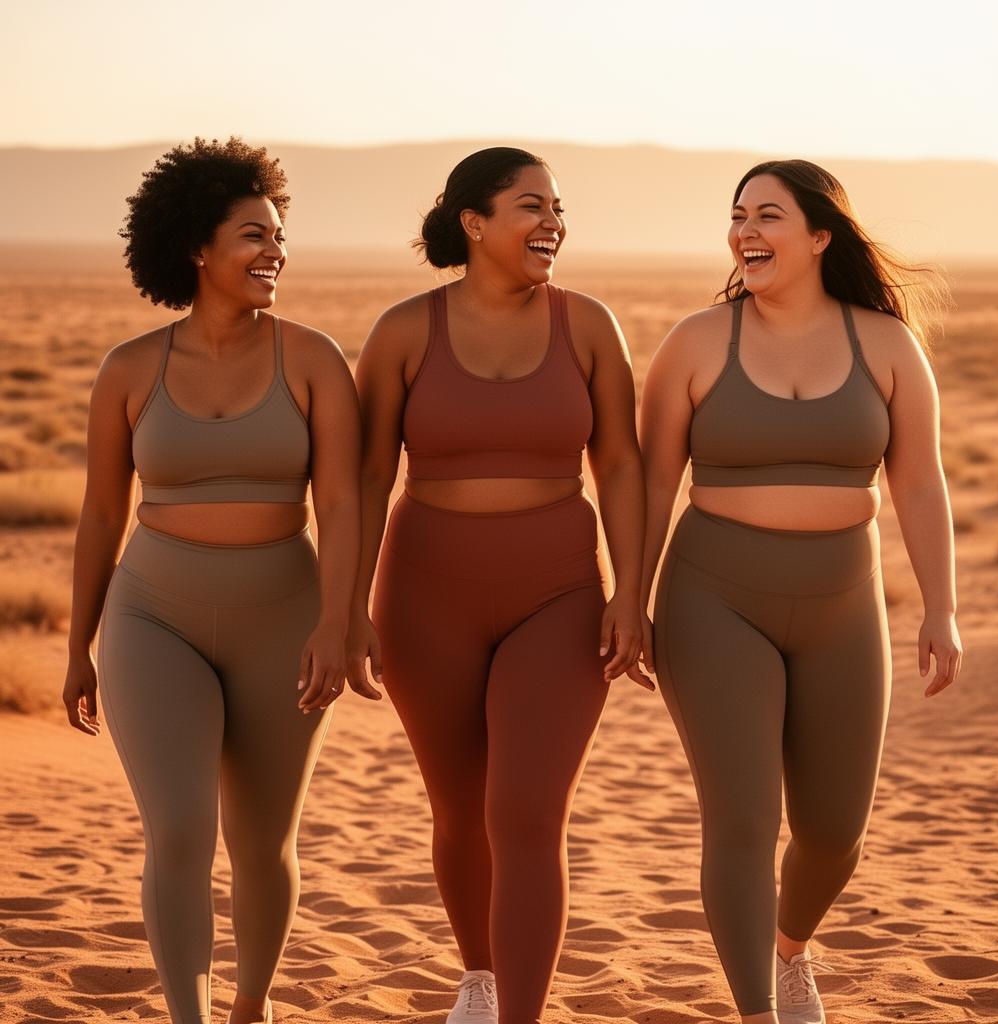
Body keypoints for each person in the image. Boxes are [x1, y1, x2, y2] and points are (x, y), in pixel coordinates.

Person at [640, 159, 962, 1024]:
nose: (745, 231)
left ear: (821, 235)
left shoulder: (887, 346)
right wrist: (628, 599)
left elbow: (919, 482)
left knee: (833, 831)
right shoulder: (696, 343)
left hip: (843, 604)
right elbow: (652, 483)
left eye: (768, 215)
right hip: (713, 599)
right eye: (737, 214)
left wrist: (941, 607)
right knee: (742, 820)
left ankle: (789, 950)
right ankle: (757, 1011)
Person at [61, 137, 374, 1024]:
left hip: (286, 617)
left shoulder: (312, 358)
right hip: (152, 616)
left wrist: (337, 623)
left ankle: (250, 1006)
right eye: (254, 235)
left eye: (280, 235)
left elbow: (342, 504)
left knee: (263, 839)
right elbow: (100, 516)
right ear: (198, 248)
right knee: (180, 828)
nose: (276, 251)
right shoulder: (130, 369)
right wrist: (79, 646)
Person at [347, 147, 651, 1024]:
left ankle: (519, 1012)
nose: (553, 222)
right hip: (423, 593)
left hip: (558, 593)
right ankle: (478, 980)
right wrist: (346, 609)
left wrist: (631, 594)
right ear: (474, 223)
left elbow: (621, 465)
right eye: (532, 206)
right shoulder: (405, 331)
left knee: (526, 813)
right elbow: (366, 479)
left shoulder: (587, 326)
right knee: (457, 809)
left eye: (559, 208)